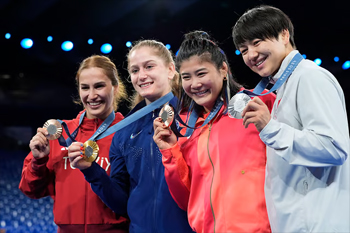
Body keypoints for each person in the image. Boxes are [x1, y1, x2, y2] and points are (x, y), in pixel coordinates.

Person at [232, 5, 350, 232]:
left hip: (317, 224)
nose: (251, 55)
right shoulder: (285, 86)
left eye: (257, 42)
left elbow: (334, 148)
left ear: (284, 35)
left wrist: (270, 128)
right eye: (244, 49)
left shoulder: (309, 77)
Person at [153, 31, 275, 232]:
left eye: (201, 73)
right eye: (186, 77)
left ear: (223, 69)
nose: (195, 84)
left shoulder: (260, 104)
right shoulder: (186, 126)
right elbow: (185, 199)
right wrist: (170, 151)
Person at [68, 40, 194, 233]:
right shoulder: (124, 131)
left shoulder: (194, 118)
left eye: (149, 66)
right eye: (135, 70)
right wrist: (91, 170)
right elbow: (121, 204)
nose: (141, 76)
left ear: (170, 69)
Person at [19, 55, 130, 233]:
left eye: (99, 86)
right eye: (85, 87)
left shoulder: (129, 133)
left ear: (115, 88)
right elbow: (30, 190)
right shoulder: (59, 134)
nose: (92, 95)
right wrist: (38, 160)